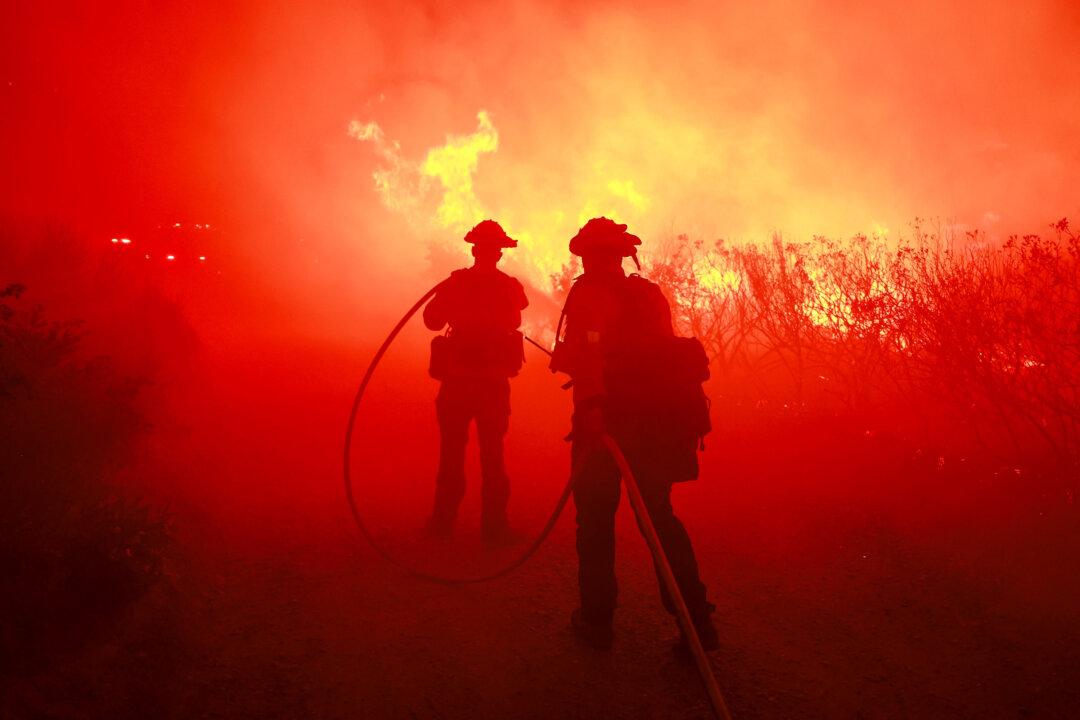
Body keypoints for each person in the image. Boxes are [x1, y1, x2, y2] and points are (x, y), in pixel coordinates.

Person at [549, 217, 717, 655]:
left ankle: (596, 625)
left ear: (590, 255)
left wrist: (592, 411)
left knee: (597, 524)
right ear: (622, 256)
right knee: (660, 519)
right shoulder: (649, 293)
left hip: (606, 426)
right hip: (657, 424)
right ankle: (696, 625)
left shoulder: (588, 295)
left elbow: (589, 359)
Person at [423, 220, 529, 546]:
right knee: (493, 456)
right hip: (492, 386)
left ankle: (443, 524)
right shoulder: (509, 287)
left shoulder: (456, 283)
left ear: (473, 250)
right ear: (498, 254)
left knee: (451, 454)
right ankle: (494, 527)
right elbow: (517, 318)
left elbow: (431, 321)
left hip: (456, 383)